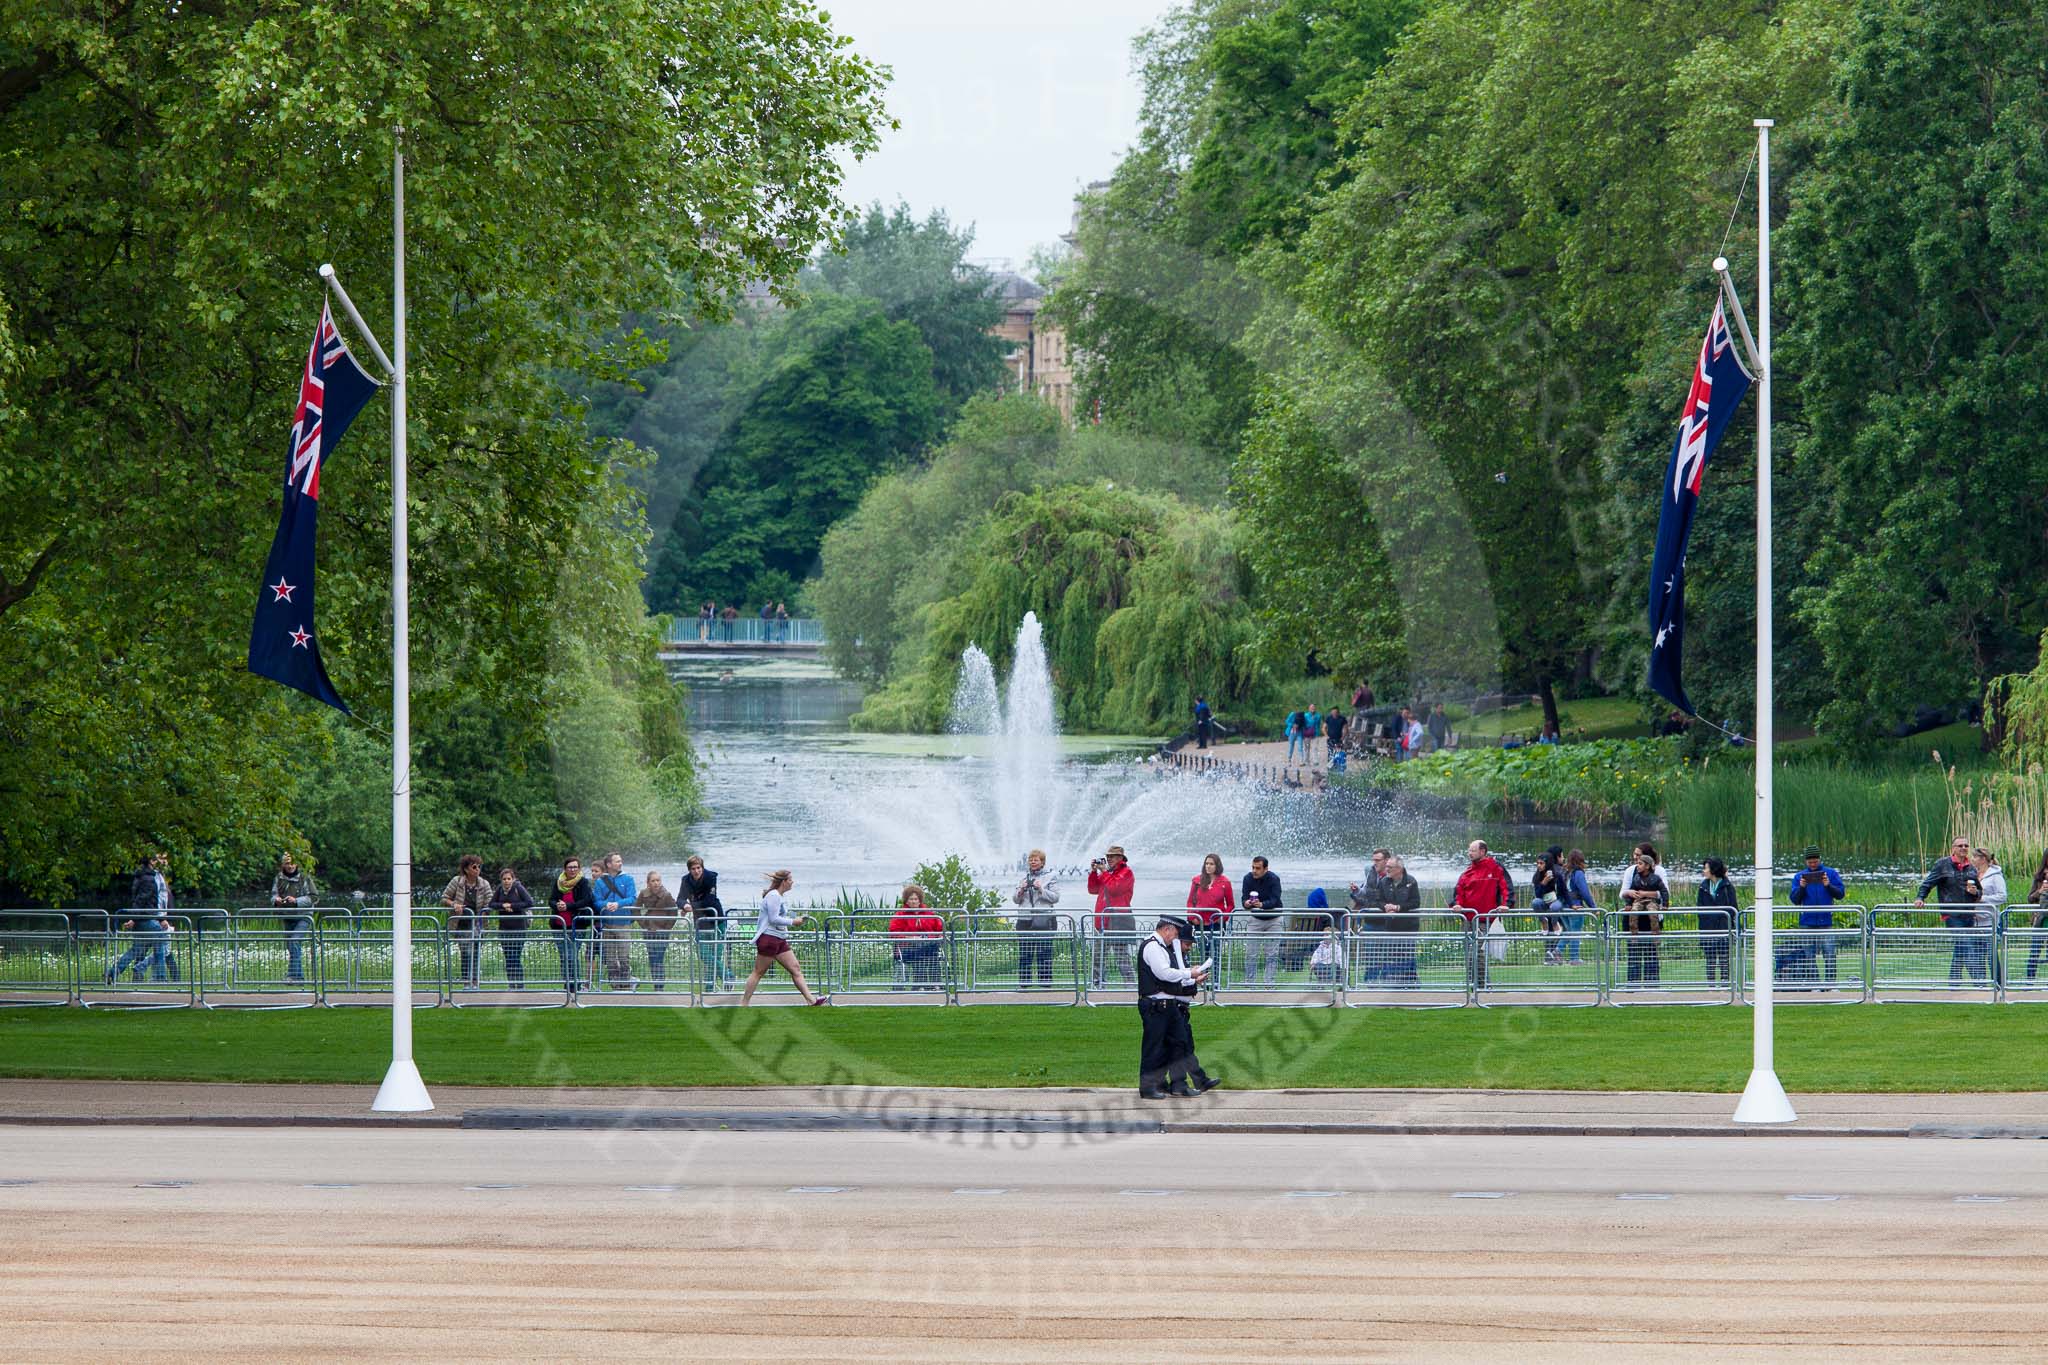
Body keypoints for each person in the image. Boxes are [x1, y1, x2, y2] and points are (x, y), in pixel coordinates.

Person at [1137, 914, 1211, 1098]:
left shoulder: (1161, 947)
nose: (1176, 938)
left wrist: (1188, 976)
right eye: (1176, 933)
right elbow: (1164, 974)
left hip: (1167, 1004)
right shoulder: (1153, 946)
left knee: (1179, 1043)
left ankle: (1179, 1085)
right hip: (1155, 1005)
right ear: (1167, 929)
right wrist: (1190, 973)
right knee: (1154, 1047)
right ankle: (1148, 1087)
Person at [740, 870, 827, 1005]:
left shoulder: (779, 896)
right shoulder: (773, 896)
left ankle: (811, 1000)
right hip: (769, 939)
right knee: (758, 972)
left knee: (795, 968)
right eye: (790, 880)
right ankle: (744, 1004)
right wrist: (793, 922)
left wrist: (795, 918)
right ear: (784, 882)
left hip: (779, 939)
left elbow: (780, 916)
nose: (792, 882)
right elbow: (773, 919)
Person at [108, 850, 179, 985]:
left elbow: (140, 901)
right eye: (157, 859)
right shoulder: (149, 879)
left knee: (137, 949)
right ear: (152, 862)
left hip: (143, 919)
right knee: (161, 941)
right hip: (147, 919)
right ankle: (159, 977)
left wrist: (134, 918)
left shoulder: (140, 876)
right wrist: (156, 919)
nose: (162, 862)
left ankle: (113, 972)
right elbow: (143, 902)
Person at [1453, 840, 1514, 985]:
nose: (1470, 853)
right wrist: (1456, 905)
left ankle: (1481, 986)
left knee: (1478, 953)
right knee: (1470, 954)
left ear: (1482, 851)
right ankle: (1474, 985)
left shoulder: (1495, 868)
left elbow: (1507, 888)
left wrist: (1507, 905)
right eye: (1469, 850)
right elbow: (1458, 891)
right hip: (1468, 919)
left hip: (1485, 919)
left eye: (1473, 850)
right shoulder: (1467, 872)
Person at [1788, 844, 1846, 982]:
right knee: (1809, 955)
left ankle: (1830, 984)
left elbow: (1840, 894)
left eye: (1815, 861)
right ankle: (1814, 983)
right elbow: (1795, 900)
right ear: (1805, 862)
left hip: (1826, 922)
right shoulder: (1799, 877)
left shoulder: (1831, 873)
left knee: (1830, 954)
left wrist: (1828, 885)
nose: (1813, 864)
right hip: (1807, 922)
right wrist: (1802, 887)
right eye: (1810, 862)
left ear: (1820, 859)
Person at [1086, 845, 1137, 988]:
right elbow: (1093, 889)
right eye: (1108, 856)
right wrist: (1093, 872)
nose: (1109, 859)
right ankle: (1098, 986)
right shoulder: (1108, 872)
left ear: (1120, 858)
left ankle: (1130, 986)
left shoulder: (1127, 872)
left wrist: (1104, 872)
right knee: (1098, 956)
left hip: (1118, 920)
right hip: (1102, 920)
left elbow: (1115, 889)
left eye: (1112, 856)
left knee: (1122, 957)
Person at [440, 854, 494, 989]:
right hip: (461, 924)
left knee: (476, 952)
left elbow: (490, 902)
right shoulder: (457, 882)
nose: (477, 870)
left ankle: (475, 981)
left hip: (478, 923)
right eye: (474, 867)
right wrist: (454, 905)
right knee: (465, 952)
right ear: (466, 869)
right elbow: (444, 898)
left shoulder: (484, 883)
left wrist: (486, 910)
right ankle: (466, 981)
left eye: (479, 867)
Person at [1012, 849, 1061, 988]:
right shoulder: (1023, 878)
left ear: (1042, 862)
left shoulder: (1051, 877)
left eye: (1036, 860)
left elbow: (1056, 897)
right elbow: (1015, 899)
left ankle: (1045, 983)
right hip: (1024, 919)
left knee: (1044, 951)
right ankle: (1024, 983)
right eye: (1031, 859)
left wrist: (1041, 890)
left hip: (1044, 919)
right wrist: (1021, 890)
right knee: (1025, 952)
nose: (1033, 862)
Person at [1618, 851, 1669, 984]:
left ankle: (1651, 983)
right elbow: (1625, 892)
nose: (1635, 858)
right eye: (1635, 855)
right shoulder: (1633, 874)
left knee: (1650, 952)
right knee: (1634, 953)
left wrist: (1665, 904)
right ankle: (1633, 983)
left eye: (1638, 856)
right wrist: (1629, 900)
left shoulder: (1657, 875)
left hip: (1650, 910)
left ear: (1648, 864)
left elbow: (1663, 892)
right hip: (1638, 905)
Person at [549, 856, 596, 994]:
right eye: (570, 867)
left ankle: (575, 983)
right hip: (559, 925)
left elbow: (586, 900)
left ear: (579, 868)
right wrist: (557, 905)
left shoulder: (583, 882)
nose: (573, 869)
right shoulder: (558, 882)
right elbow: (551, 899)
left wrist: (568, 906)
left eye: (575, 867)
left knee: (571, 955)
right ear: (565, 869)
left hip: (577, 925)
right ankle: (567, 983)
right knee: (563, 955)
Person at [269, 852, 318, 985]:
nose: (290, 866)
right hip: (287, 916)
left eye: (292, 863)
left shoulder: (304, 878)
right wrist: (276, 900)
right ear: (282, 865)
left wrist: (296, 901)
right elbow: (273, 894)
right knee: (291, 946)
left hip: (304, 916)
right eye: (287, 864)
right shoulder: (278, 878)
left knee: (294, 941)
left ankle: (297, 977)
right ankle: (293, 976)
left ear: (296, 864)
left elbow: (313, 897)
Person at [591, 852, 638, 990]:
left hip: (623, 923)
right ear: (609, 864)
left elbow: (633, 898)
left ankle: (627, 983)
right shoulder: (600, 882)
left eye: (620, 861)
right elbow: (596, 901)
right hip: (607, 924)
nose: (620, 863)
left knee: (624, 956)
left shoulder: (628, 879)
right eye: (617, 861)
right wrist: (606, 905)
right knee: (610, 957)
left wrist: (618, 904)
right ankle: (615, 985)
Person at [1376, 855, 1424, 985]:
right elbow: (1378, 900)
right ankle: (1391, 982)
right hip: (1390, 926)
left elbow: (1415, 902)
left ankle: (1411, 982)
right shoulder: (1383, 882)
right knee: (1391, 955)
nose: (1387, 869)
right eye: (1386, 867)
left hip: (1409, 927)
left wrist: (1398, 907)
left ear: (1399, 869)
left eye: (1390, 867)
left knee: (1408, 955)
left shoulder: (1411, 881)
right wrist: (1385, 907)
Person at [1238, 855, 1285, 985]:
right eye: (1253, 867)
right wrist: (1246, 903)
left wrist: (1262, 905)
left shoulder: (1274, 879)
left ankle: (1269, 983)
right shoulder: (1247, 878)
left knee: (1271, 953)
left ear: (1266, 869)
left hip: (1274, 919)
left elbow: (1275, 899)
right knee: (1251, 953)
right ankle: (1249, 982)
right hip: (1255, 919)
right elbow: (1244, 898)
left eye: (1258, 868)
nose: (1254, 870)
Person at [682, 855, 726, 991]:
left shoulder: (710, 877)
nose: (696, 871)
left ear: (702, 867)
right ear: (689, 870)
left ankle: (710, 986)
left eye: (698, 868)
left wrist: (691, 906)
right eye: (693, 869)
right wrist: (684, 905)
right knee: (703, 954)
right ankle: (727, 975)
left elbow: (709, 901)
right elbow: (680, 898)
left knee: (715, 955)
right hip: (700, 922)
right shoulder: (686, 880)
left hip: (716, 920)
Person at [1185, 853, 1233, 971]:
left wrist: (1223, 917)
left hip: (1216, 923)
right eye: (1206, 863)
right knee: (1203, 954)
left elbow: (1230, 904)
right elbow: (1190, 902)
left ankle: (1215, 982)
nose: (1208, 866)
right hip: (1199, 923)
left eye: (1211, 864)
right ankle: (1203, 980)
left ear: (1217, 865)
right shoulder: (1197, 881)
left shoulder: (1225, 882)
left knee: (1215, 954)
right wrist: (1192, 917)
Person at [890, 884, 945, 987]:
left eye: (916, 899)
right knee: (921, 952)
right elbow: (894, 933)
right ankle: (920, 985)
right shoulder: (900, 915)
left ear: (920, 900)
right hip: (906, 948)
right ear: (906, 900)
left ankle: (936, 984)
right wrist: (910, 938)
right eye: (911, 899)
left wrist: (928, 938)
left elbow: (939, 929)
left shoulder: (929, 914)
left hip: (928, 947)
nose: (914, 901)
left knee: (932, 953)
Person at [1695, 857, 1738, 984]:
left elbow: (1733, 907)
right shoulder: (1703, 887)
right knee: (1710, 959)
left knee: (1724, 959)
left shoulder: (1727, 886)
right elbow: (1700, 908)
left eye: (1706, 868)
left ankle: (1725, 984)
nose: (1704, 871)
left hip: (1724, 928)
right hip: (1708, 929)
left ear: (1713, 869)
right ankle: (1711, 986)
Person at [1964, 847, 2004, 985]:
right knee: (1976, 955)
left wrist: (1981, 897)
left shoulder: (1995, 875)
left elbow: (2002, 896)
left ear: (1982, 859)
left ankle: (1998, 984)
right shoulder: (1972, 874)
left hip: (1990, 921)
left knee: (1992, 955)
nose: (1972, 860)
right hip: (1974, 921)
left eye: (1974, 857)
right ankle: (1980, 983)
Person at [636, 870, 680, 991]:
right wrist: (643, 925)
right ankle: (657, 984)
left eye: (658, 880)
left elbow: (674, 912)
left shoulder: (666, 895)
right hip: (648, 931)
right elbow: (635, 909)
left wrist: (666, 929)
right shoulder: (643, 893)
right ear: (648, 883)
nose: (656, 883)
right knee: (652, 957)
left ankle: (659, 986)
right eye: (653, 881)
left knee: (658, 957)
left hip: (662, 932)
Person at [492, 866, 533, 989]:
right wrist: (502, 906)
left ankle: (520, 985)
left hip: (519, 928)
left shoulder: (518, 888)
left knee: (515, 956)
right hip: (504, 929)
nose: (506, 881)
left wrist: (512, 906)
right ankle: (511, 985)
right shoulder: (499, 889)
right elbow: (491, 904)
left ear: (513, 879)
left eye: (509, 878)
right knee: (508, 957)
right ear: (501, 880)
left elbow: (529, 902)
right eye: (504, 879)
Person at [1531, 848, 1567, 965]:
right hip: (1544, 903)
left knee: (1555, 910)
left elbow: (1564, 891)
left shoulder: (1558, 875)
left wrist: (1571, 904)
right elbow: (1537, 894)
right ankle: (1544, 922)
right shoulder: (1537, 876)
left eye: (1541, 863)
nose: (1539, 866)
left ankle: (1553, 955)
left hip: (1555, 904)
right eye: (1538, 863)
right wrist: (1544, 882)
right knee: (1536, 902)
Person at [1560, 849, 1595, 966]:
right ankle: (1574, 958)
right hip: (1576, 906)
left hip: (1564, 906)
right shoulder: (1578, 873)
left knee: (1569, 932)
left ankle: (1556, 952)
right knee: (1575, 933)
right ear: (1580, 860)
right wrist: (1593, 907)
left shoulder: (1565, 872)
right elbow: (1584, 892)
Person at [2025, 849, 2048, 980]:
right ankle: (2030, 981)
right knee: (2034, 952)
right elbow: (2030, 898)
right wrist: (2040, 891)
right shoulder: (2039, 877)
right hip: (2040, 920)